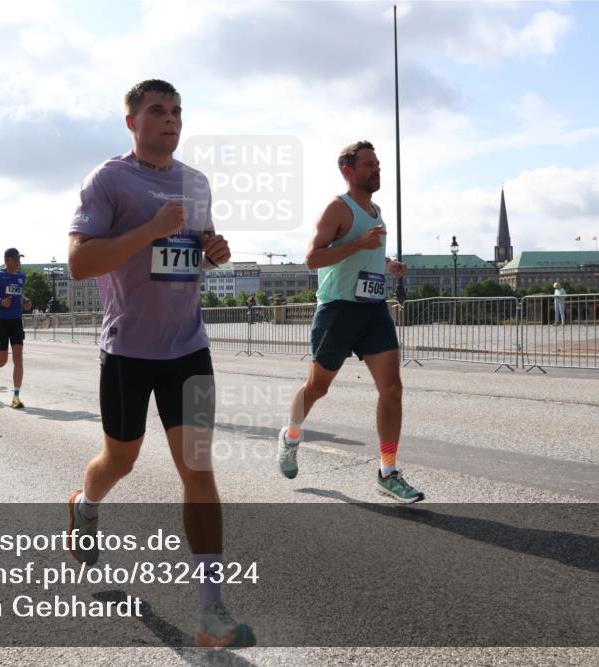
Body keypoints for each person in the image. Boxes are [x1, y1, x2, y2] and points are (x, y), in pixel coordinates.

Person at [66, 79, 254, 648]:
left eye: (177, 111)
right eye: (157, 111)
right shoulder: (109, 179)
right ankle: (85, 504)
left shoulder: (195, 183)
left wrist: (214, 250)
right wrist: (148, 229)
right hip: (127, 349)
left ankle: (211, 609)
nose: (170, 119)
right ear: (131, 121)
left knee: (198, 470)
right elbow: (78, 262)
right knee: (119, 461)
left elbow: (197, 247)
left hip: (188, 349)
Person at [277, 140, 423, 504]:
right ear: (348, 170)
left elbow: (367, 248)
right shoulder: (337, 209)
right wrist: (358, 245)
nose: (377, 169)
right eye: (369, 164)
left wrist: (387, 265)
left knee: (392, 388)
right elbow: (313, 258)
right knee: (317, 388)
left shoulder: (375, 210)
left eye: (378, 164)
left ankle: (387, 472)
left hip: (373, 310)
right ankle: (291, 434)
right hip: (338, 311)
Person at [0, 249, 31, 408]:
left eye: (19, 259)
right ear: (7, 260)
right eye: (16, 259)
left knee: (19, 359)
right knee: (3, 360)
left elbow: (18, 294)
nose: (19, 262)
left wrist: (25, 301)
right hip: (1, 321)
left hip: (16, 321)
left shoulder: (21, 277)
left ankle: (16, 396)